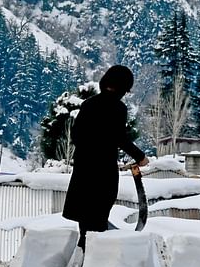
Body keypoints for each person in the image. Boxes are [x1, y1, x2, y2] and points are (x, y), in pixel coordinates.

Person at [62, 65, 149, 252]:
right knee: (99, 215)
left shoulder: (89, 104)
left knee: (85, 217)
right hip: (103, 170)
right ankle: (94, 257)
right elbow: (120, 138)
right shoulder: (118, 108)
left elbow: (75, 136)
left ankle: (81, 253)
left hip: (83, 169)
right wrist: (140, 157)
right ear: (124, 88)